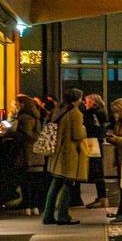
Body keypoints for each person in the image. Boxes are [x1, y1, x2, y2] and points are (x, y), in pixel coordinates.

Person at [42, 88, 89, 225]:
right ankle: (63, 216)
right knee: (69, 185)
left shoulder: (58, 110)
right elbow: (77, 135)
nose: (81, 100)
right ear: (76, 99)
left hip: (56, 153)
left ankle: (48, 215)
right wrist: (84, 129)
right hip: (70, 154)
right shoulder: (75, 113)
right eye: (80, 97)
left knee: (55, 185)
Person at [8, 94, 44, 215]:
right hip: (37, 153)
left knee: (26, 180)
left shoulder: (23, 117)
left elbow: (27, 133)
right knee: (36, 181)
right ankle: (35, 206)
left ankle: (28, 206)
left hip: (27, 151)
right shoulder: (37, 116)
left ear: (22, 105)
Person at [82, 93, 111, 206]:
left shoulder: (91, 114)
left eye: (87, 101)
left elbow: (90, 128)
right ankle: (102, 197)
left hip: (92, 143)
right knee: (98, 170)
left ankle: (102, 197)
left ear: (93, 102)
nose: (85, 104)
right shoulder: (101, 114)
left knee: (96, 170)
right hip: (97, 143)